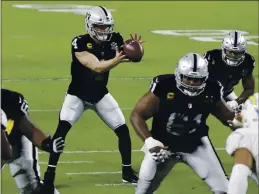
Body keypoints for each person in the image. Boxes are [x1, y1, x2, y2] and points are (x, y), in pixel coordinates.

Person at [43, 5, 142, 193]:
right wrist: (116, 60)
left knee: (122, 131)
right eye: (100, 27)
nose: (104, 31)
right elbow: (96, 67)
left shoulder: (115, 39)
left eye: (107, 27)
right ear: (89, 25)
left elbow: (129, 55)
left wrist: (135, 51)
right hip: (77, 96)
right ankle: (49, 176)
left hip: (100, 94)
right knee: (61, 134)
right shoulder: (79, 43)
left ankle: (127, 172)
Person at [130, 53, 235, 194]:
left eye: (197, 80)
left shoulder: (211, 89)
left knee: (224, 190)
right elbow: (137, 115)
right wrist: (149, 141)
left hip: (196, 144)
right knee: (143, 190)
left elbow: (227, 118)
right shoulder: (164, 86)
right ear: (179, 75)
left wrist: (243, 119)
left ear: (204, 78)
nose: (192, 83)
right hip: (163, 147)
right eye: (188, 78)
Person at [1, 88, 64, 194]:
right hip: (5, 146)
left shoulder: (8, 100)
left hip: (15, 142)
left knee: (32, 189)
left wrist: (46, 144)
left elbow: (28, 128)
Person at [203, 30, 255, 112]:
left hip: (227, 93)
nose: (234, 56)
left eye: (237, 53)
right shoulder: (211, 58)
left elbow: (249, 89)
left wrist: (236, 102)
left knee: (243, 118)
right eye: (231, 52)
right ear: (224, 49)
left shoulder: (247, 62)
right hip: (205, 94)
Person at [226, 93, 259, 194]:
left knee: (240, 168)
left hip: (249, 135)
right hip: (251, 133)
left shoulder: (254, 98)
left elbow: (242, 117)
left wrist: (236, 122)